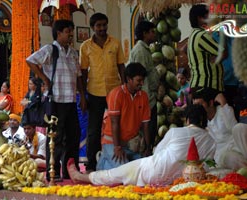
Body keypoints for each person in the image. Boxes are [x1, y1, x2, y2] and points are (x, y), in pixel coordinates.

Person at [67, 104, 216, 186]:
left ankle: (81, 176)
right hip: (183, 181)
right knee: (121, 174)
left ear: (188, 120)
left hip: (154, 171)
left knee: (115, 174)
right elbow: (207, 167)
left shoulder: (177, 132)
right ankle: (83, 177)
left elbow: (158, 151)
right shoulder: (211, 141)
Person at [26, 19, 87, 181]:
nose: (71, 35)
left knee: (74, 135)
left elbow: (79, 76)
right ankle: (53, 171)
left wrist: (82, 95)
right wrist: (45, 79)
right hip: (55, 100)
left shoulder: (74, 53)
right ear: (58, 33)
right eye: (68, 31)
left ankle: (70, 170)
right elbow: (30, 60)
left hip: (71, 101)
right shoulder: (50, 50)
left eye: (71, 31)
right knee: (55, 136)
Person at [192, 87, 247, 174]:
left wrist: (224, 103)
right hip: (225, 154)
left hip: (240, 145)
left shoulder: (223, 110)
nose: (197, 108)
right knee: (229, 158)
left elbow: (232, 126)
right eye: (195, 105)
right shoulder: (200, 121)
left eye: (199, 104)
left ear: (210, 103)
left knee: (239, 128)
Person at [79, 12, 126, 172]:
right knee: (93, 129)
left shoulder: (115, 43)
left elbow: (121, 66)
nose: (102, 28)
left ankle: (120, 160)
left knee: (118, 125)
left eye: (104, 25)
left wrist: (125, 87)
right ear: (92, 28)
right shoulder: (85, 47)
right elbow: (83, 73)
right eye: (98, 25)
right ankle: (92, 164)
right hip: (94, 92)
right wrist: (83, 96)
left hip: (115, 91)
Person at [97, 62, 151, 170]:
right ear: (129, 79)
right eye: (139, 81)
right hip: (112, 142)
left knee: (144, 168)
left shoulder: (144, 96)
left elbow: (146, 125)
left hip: (130, 145)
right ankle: (103, 162)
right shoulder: (116, 94)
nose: (142, 83)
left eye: (143, 80)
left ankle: (106, 160)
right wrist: (117, 147)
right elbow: (114, 122)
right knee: (125, 171)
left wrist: (148, 148)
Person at [128, 21, 160, 150]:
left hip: (148, 98)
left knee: (150, 132)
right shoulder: (141, 51)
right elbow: (141, 80)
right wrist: (146, 100)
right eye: (152, 32)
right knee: (147, 133)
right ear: (145, 34)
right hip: (146, 100)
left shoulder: (144, 50)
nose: (154, 34)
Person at [187, 4, 225, 95]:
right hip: (206, 85)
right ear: (200, 18)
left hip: (203, 85)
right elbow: (223, 52)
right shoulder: (201, 36)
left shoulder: (194, 34)